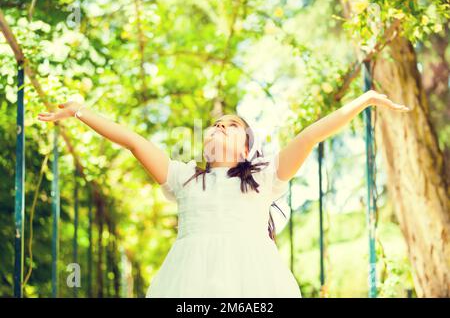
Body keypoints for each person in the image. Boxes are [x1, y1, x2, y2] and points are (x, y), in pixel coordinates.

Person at [37, 89, 411, 297]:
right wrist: (80, 111)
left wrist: (363, 101)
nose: (218, 128)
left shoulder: (266, 178)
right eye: (215, 125)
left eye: (231, 127)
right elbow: (134, 142)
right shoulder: (182, 178)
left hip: (256, 281)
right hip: (188, 282)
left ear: (247, 149)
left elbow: (311, 135)